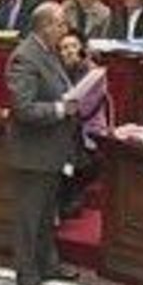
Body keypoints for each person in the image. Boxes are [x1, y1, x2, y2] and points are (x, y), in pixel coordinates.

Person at [5, 1, 83, 285]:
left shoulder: (47, 52)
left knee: (46, 212)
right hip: (32, 154)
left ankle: (47, 264)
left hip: (51, 149)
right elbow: (23, 109)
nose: (65, 29)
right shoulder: (25, 58)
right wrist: (61, 109)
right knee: (29, 217)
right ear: (46, 26)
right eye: (61, 23)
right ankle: (27, 277)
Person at [55, 29, 108, 219]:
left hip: (87, 144)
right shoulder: (56, 73)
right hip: (64, 140)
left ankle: (69, 197)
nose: (69, 51)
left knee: (68, 140)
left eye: (74, 46)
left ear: (83, 50)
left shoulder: (94, 76)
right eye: (64, 48)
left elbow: (80, 112)